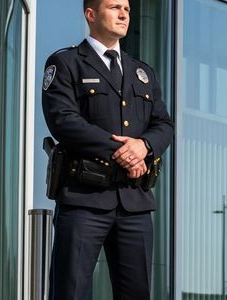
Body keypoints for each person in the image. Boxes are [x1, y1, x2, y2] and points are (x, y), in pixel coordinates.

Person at [41, 0, 173, 298]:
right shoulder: (66, 63)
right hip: (83, 198)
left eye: (126, 8)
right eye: (115, 7)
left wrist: (144, 146)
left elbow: (163, 124)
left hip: (135, 204)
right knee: (71, 291)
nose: (124, 13)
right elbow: (63, 121)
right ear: (91, 14)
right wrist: (123, 152)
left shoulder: (143, 72)